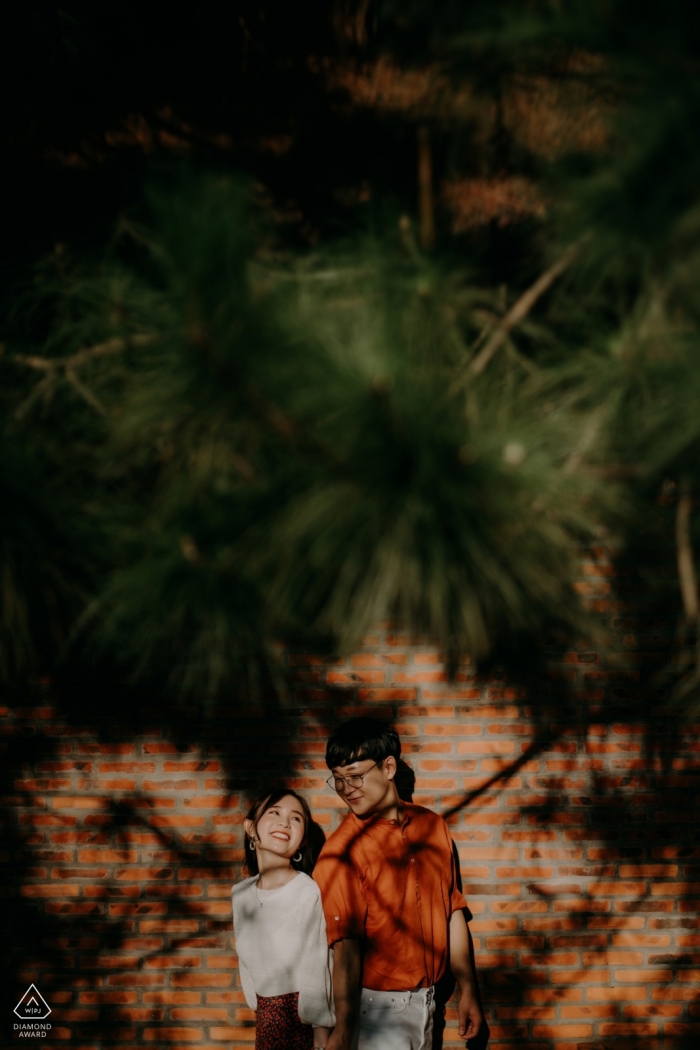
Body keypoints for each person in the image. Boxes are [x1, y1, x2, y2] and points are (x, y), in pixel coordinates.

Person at [313, 718, 485, 1050]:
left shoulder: (433, 827)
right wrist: (346, 1028)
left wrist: (468, 991)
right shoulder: (340, 852)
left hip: (429, 1005)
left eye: (356, 777)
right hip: (377, 1014)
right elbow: (344, 949)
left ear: (388, 767)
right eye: (338, 780)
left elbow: (453, 913)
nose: (347, 789)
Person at [232, 788, 335, 1050]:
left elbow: (318, 966)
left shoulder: (306, 890)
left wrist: (320, 1031)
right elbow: (246, 964)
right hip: (265, 1021)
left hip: (301, 1023)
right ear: (251, 828)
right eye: (274, 812)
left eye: (296, 818)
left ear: (301, 841)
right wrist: (262, 1009)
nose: (285, 822)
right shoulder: (241, 893)